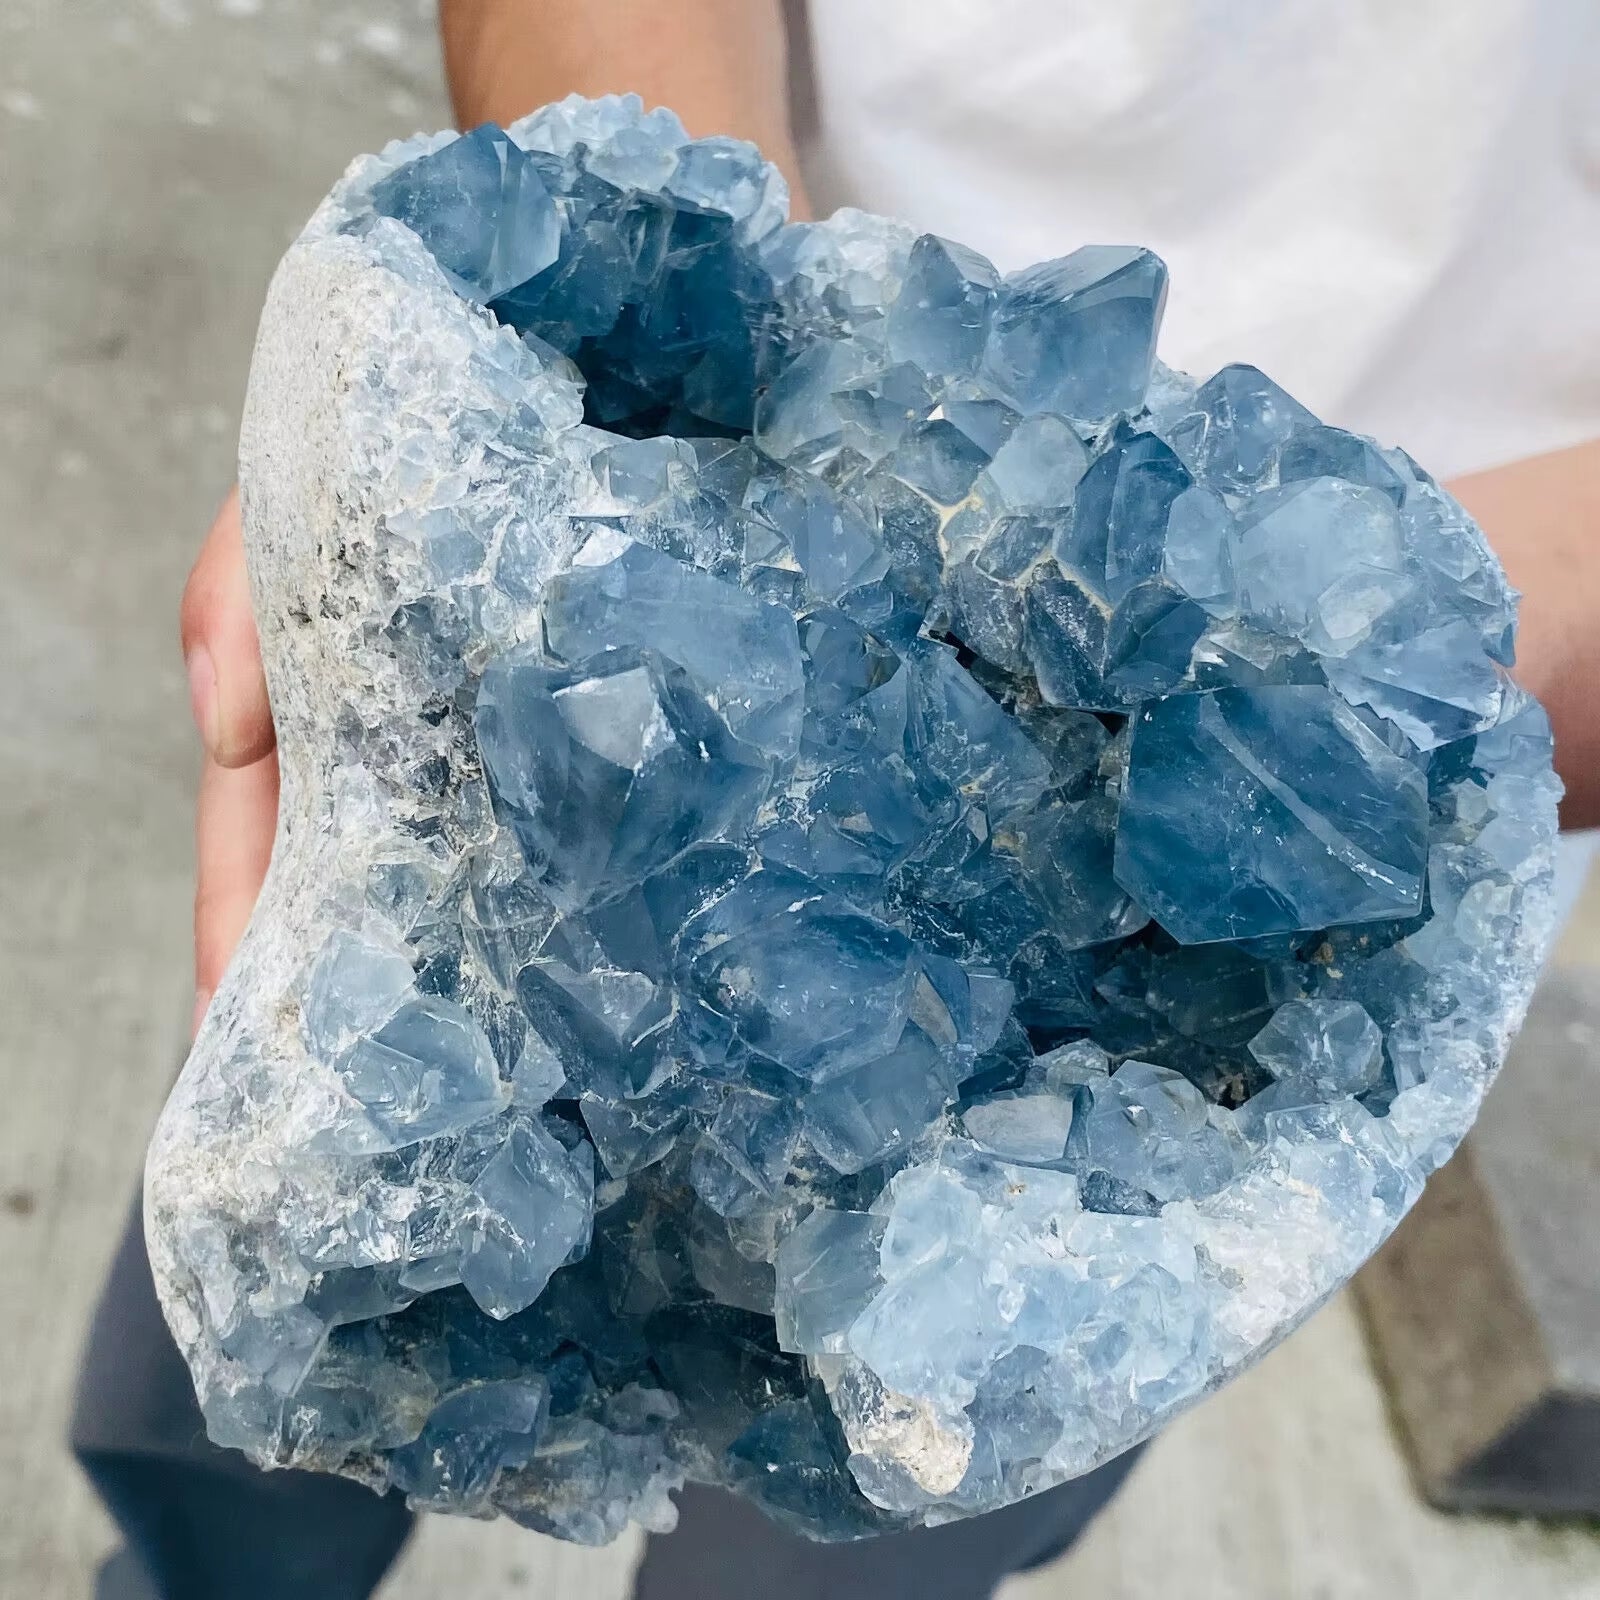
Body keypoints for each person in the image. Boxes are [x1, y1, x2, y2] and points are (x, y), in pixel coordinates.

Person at [78, 2, 1600, 1596]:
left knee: (852, 1504)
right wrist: (653, 351)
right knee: (254, 1368)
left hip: (1249, 896)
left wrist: (1353, 693)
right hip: (756, 396)